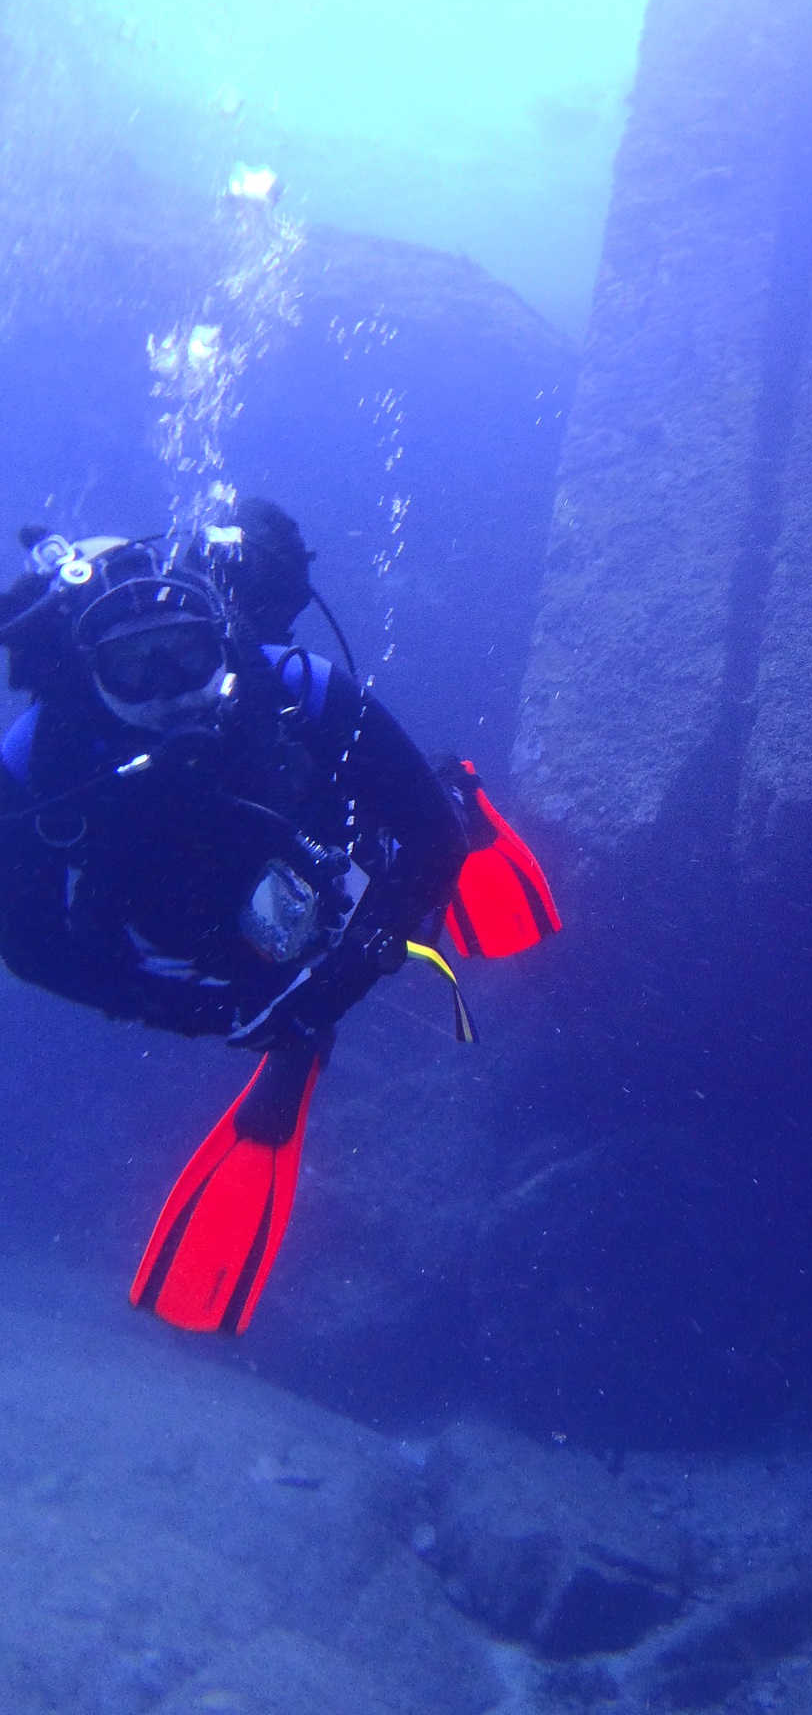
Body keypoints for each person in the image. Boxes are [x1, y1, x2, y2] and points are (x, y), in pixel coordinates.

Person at [0, 501, 559, 1334]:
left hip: (316, 852)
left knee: (410, 853)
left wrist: (339, 977)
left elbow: (432, 842)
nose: (167, 695)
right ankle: (288, 1034)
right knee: (267, 972)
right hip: (180, 924)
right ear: (89, 674)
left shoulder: (295, 688)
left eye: (185, 657)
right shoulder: (41, 755)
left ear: (219, 645)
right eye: (134, 671)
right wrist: (196, 1012)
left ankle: (456, 785)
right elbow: (26, 942)